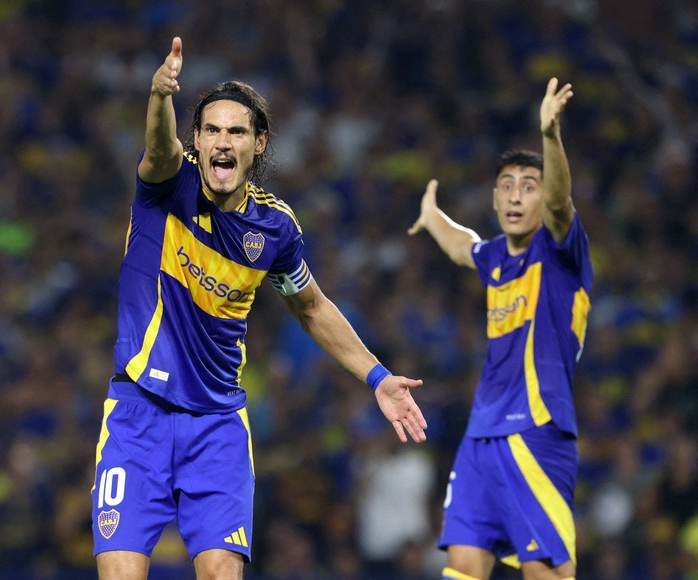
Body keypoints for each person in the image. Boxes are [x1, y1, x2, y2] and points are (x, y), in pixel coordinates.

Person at [91, 36, 427, 580]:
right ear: (196, 140)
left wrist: (377, 377)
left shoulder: (275, 228)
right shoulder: (166, 187)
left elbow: (312, 307)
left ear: (259, 143)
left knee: (222, 571)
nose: (223, 143)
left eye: (237, 132)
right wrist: (159, 98)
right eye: (212, 131)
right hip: (138, 413)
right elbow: (157, 149)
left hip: (218, 423)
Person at [408, 78, 591, 580]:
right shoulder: (496, 259)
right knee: (463, 564)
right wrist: (432, 216)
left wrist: (550, 136)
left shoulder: (558, 252)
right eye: (507, 186)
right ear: (494, 199)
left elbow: (559, 204)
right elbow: (461, 245)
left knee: (544, 570)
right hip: (480, 435)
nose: (516, 196)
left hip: (536, 430)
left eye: (528, 187)